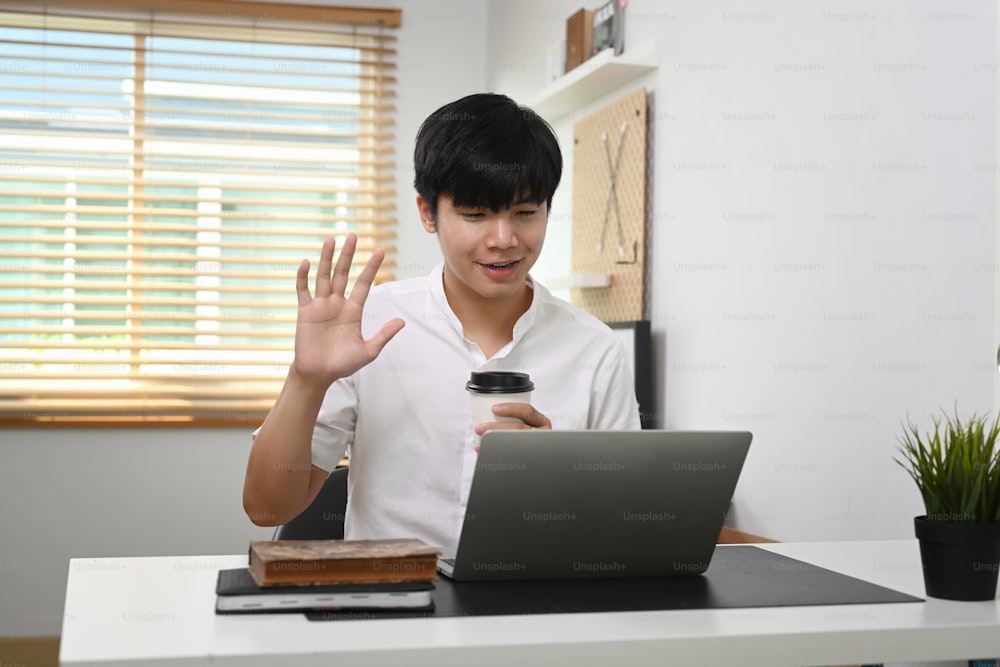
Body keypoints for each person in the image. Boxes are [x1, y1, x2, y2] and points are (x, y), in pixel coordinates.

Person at [243, 93, 641, 555]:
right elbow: (267, 509)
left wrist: (555, 479)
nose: (504, 240)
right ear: (428, 213)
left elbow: (624, 531)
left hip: (534, 613)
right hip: (393, 612)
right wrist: (305, 381)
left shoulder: (594, 349)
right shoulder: (372, 328)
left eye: (526, 213)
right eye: (475, 215)